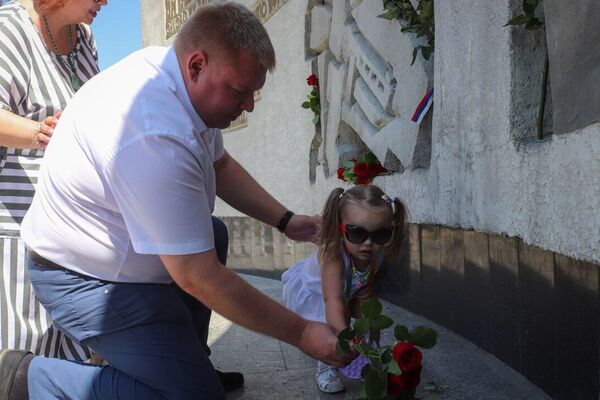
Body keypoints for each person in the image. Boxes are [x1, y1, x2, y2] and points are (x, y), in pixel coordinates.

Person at [0, 2, 350, 399]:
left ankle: (188, 363)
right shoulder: (153, 131)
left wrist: (285, 220)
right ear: (197, 65)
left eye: (254, 92)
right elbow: (196, 275)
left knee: (212, 233)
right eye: (240, 91)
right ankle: (32, 379)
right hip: (84, 279)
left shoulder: (177, 78)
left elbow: (221, 166)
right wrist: (302, 331)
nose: (249, 104)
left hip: (126, 259)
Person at [0, 0, 104, 363]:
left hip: (72, 219)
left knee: (71, 349)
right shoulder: (9, 28)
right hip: (19, 220)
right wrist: (40, 132)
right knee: (24, 353)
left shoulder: (84, 37)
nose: (105, 2)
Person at [282, 184, 406, 393]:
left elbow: (364, 279)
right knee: (332, 320)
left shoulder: (375, 250)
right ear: (341, 227)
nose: (368, 243)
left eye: (380, 234)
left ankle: (371, 356)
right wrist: (345, 336)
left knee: (371, 311)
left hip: (345, 290)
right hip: (316, 295)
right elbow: (332, 300)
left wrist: (365, 294)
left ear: (390, 231)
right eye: (357, 233)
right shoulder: (333, 257)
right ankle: (326, 365)